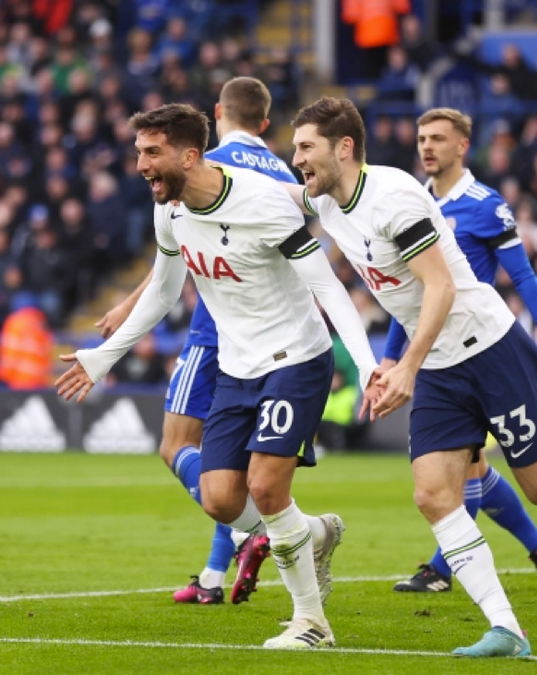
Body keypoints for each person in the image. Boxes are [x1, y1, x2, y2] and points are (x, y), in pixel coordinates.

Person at [284, 95, 537, 657]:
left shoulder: (394, 197)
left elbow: (443, 288)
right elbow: (276, 196)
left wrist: (406, 368)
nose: (296, 158)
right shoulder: (327, 202)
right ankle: (506, 628)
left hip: (489, 348)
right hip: (443, 370)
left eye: (305, 147)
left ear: (344, 148)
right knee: (432, 494)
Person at [56, 102, 381, 650]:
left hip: (295, 359)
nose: (141, 165)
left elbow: (328, 288)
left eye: (152, 153)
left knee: (265, 487)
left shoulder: (263, 205)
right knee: (220, 497)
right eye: (139, 152)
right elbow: (162, 290)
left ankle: (312, 623)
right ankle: (317, 533)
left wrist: (370, 364)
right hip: (235, 365)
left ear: (190, 154)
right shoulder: (170, 210)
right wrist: (104, 355)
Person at [96, 77, 333, 607]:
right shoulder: (280, 167)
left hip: (220, 332)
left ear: (217, 113)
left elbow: (176, 254)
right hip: (282, 329)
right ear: (268, 124)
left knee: (179, 448)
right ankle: (215, 570)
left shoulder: (208, 163)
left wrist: (127, 308)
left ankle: (260, 539)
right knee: (229, 469)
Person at [384, 107, 537, 595]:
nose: (426, 146)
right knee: (468, 468)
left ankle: (444, 568)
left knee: (480, 474)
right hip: (436, 354)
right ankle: (536, 549)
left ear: (462, 146)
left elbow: (525, 277)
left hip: (482, 350)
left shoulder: (484, 204)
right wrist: (390, 358)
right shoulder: (410, 202)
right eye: (422, 138)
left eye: (437, 139)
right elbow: (405, 294)